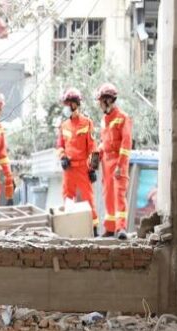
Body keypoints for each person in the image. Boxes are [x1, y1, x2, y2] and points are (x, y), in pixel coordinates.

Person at [55, 87, 100, 235]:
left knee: (88, 200)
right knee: (67, 200)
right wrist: (62, 157)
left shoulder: (87, 123)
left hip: (82, 169)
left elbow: (93, 147)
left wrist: (92, 168)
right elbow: (59, 145)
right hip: (69, 170)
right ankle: (70, 231)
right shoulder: (64, 125)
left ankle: (94, 229)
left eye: (69, 104)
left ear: (76, 104)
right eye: (66, 104)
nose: (67, 107)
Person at [96, 82, 133, 239]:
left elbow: (126, 144)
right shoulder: (105, 120)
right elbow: (103, 143)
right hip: (106, 163)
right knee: (108, 195)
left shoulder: (123, 118)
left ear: (107, 101)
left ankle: (121, 228)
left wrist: (120, 165)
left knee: (119, 195)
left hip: (118, 162)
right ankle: (110, 228)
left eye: (100, 101)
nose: (99, 105)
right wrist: (95, 157)